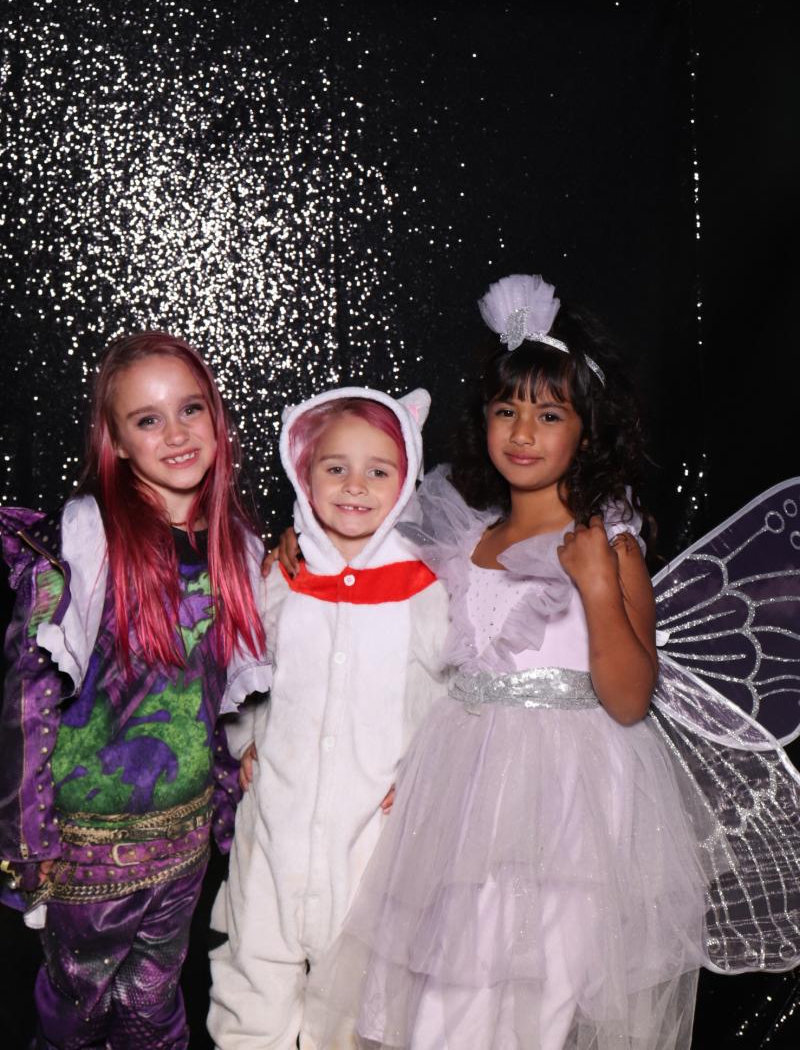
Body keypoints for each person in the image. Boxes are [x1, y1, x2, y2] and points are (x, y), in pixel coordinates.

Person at [302, 272, 799, 1050]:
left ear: (587, 432)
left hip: (572, 808)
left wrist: (598, 586)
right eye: (507, 410)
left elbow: (630, 698)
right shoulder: (463, 538)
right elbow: (400, 641)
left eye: (549, 414)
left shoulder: (610, 541)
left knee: (544, 1000)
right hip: (464, 797)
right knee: (448, 997)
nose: (523, 431)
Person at [0, 331, 271, 1050]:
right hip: (87, 846)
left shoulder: (237, 546)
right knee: (79, 1012)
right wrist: (27, 837)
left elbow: (224, 695)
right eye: (148, 419)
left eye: (190, 409)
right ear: (116, 441)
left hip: (182, 842)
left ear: (216, 417)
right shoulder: (86, 544)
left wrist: (234, 784)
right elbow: (30, 695)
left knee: (154, 1006)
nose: (176, 434)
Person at [207, 386, 450, 1050]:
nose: (355, 485)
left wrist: (426, 769)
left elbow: (448, 689)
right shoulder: (281, 576)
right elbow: (249, 669)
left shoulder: (426, 588)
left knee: (357, 998)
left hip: (373, 833)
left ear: (406, 480)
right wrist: (248, 740)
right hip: (276, 825)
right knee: (252, 974)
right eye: (335, 467)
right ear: (303, 473)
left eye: (379, 470)